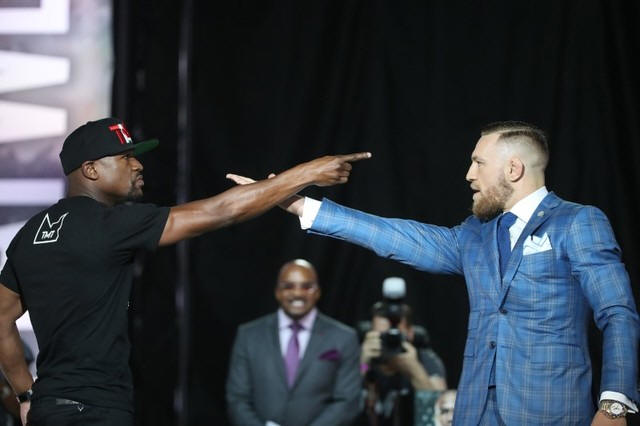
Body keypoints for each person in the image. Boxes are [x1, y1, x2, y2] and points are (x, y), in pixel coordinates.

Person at [228, 121, 640, 425]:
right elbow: (395, 236)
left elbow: (618, 312)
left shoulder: (577, 222)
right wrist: (300, 205)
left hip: (550, 411)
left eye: (478, 163)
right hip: (474, 413)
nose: (469, 174)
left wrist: (614, 405)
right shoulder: (476, 234)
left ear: (513, 168)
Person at [0, 117, 370, 426]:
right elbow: (220, 212)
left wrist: (26, 394)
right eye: (125, 157)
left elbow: (1, 317)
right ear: (91, 169)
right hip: (96, 412)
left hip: (48, 410)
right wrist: (306, 173)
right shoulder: (111, 225)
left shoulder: (29, 234)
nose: (138, 165)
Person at [226, 259, 361, 426]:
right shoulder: (249, 335)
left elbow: (347, 402)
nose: (298, 293)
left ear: (318, 292)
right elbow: (237, 399)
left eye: (306, 286)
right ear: (277, 292)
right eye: (289, 286)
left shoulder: (344, 337)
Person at [358, 299, 446, 426]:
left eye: (394, 335)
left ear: (410, 333)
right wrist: (363, 363)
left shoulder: (424, 359)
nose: (388, 340)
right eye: (381, 335)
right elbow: (346, 402)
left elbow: (441, 414)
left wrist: (414, 369)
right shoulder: (363, 358)